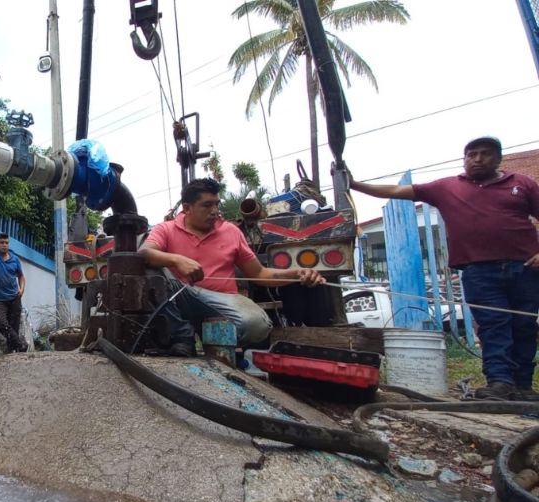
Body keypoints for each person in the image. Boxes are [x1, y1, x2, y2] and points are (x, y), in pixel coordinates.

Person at [349, 136, 539, 401]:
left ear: (498, 158)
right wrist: (354, 184)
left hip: (525, 269)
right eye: (471, 154)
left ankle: (523, 387)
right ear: (464, 159)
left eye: (485, 154)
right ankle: (500, 382)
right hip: (480, 272)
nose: (477, 159)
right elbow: (394, 192)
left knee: (524, 325)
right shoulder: (448, 187)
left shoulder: (521, 184)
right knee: (494, 325)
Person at [139, 179, 325, 357]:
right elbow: (144, 253)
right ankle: (181, 335)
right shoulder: (166, 229)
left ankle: (214, 342)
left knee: (257, 325)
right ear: (187, 208)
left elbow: (259, 273)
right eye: (207, 205)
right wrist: (177, 260)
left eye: (216, 204)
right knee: (150, 270)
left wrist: (297, 274)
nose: (214, 211)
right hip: (182, 296)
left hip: (223, 302)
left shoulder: (231, 232)